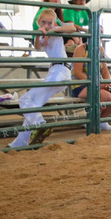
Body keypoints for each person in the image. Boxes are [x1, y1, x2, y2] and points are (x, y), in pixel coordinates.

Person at [8, 9, 77, 147]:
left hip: (60, 71)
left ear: (54, 22)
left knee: (25, 99)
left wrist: (54, 27)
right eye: (43, 22)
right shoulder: (41, 34)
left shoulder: (56, 30)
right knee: (33, 105)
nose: (47, 24)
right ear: (38, 22)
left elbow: (72, 28)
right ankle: (19, 143)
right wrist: (39, 33)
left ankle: (40, 124)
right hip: (56, 71)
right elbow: (38, 46)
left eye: (49, 22)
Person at [70, 42, 111, 132]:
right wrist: (97, 83)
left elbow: (105, 71)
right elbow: (78, 72)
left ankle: (100, 119)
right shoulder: (80, 49)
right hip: (80, 85)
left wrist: (108, 83)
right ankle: (92, 120)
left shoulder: (100, 49)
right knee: (105, 95)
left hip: (98, 84)